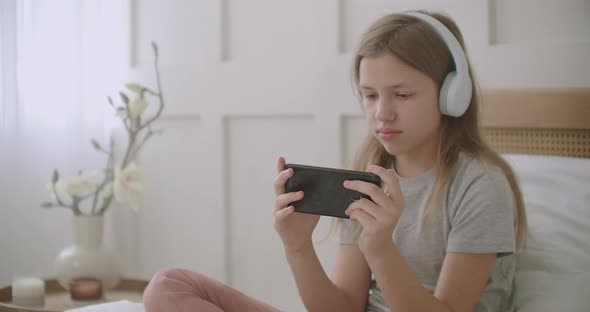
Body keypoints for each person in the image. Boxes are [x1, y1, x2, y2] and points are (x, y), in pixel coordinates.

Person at [142, 10, 527, 312]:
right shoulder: (370, 173)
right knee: (168, 285)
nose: (382, 113)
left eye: (403, 95)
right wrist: (298, 248)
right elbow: (341, 308)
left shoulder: (481, 186)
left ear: (452, 95)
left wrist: (380, 250)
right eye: (370, 95)